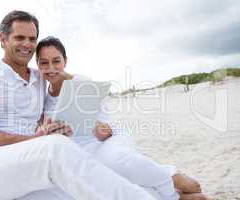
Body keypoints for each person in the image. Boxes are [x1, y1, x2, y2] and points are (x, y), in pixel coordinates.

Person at [0, 10, 162, 200]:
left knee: (77, 187)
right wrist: (36, 140)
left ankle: (171, 194)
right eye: (19, 37)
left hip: (20, 165)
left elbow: (52, 96)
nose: (27, 44)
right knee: (56, 147)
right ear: (2, 39)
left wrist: (49, 129)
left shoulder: (39, 79)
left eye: (32, 38)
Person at [32, 36, 211, 200]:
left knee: (113, 161)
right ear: (38, 65)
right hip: (80, 150)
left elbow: (103, 131)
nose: (51, 68)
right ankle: (176, 198)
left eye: (56, 61)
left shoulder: (80, 83)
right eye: (44, 63)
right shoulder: (43, 100)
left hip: (105, 138)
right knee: (107, 181)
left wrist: (90, 123)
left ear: (65, 61)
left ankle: (170, 177)